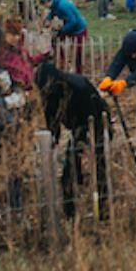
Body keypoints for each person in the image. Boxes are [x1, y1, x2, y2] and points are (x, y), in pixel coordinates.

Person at [35, 61, 110, 218]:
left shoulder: (78, 86)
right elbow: (52, 119)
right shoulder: (48, 94)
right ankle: (70, 211)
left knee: (98, 161)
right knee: (70, 167)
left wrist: (85, 146)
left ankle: (103, 207)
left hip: (94, 118)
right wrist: (52, 141)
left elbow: (92, 118)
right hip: (76, 125)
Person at [40, 0, 87, 73]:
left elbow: (73, 21)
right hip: (68, 26)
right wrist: (48, 19)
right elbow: (52, 12)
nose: (45, 7)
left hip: (78, 29)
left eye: (45, 4)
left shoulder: (63, 6)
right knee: (55, 41)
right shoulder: (54, 4)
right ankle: (63, 62)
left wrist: (62, 30)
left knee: (78, 52)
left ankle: (79, 71)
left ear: (49, 1)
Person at [0, 18, 35, 91]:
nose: (16, 38)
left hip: (27, 87)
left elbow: (29, 62)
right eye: (13, 34)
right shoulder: (2, 52)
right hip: (14, 88)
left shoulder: (21, 50)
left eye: (18, 34)